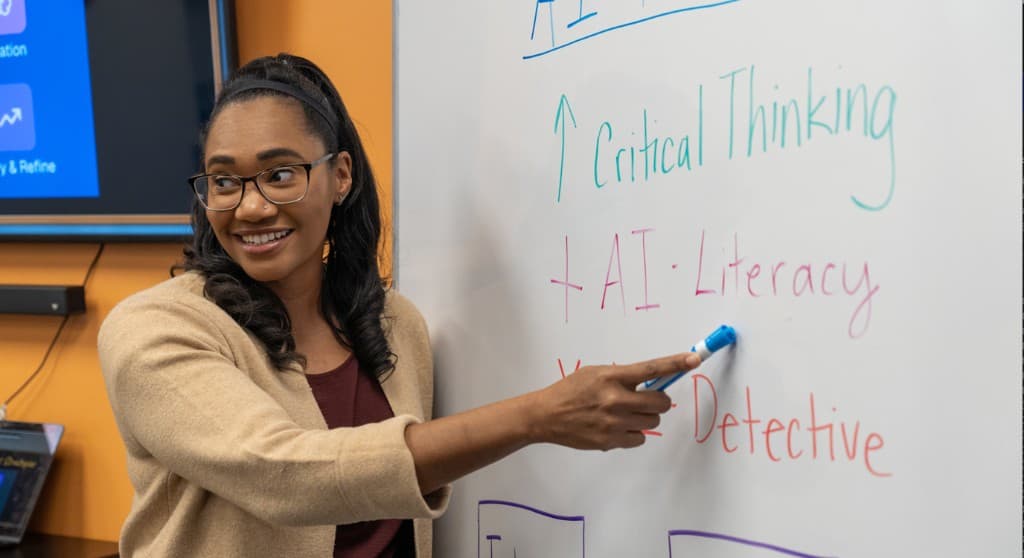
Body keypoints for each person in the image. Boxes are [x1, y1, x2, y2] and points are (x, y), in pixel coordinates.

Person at [97, 53, 700, 558]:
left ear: (340, 176)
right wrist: (537, 416)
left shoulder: (394, 326)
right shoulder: (155, 330)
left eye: (280, 174)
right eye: (224, 182)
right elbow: (285, 475)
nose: (250, 207)